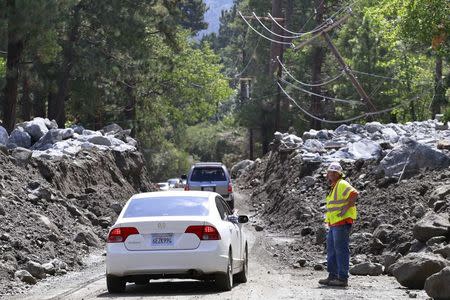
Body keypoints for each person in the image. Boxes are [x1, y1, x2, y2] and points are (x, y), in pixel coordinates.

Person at [319, 162, 358, 287]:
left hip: (342, 222)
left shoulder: (342, 183)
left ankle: (342, 278)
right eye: (328, 172)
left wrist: (346, 208)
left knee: (340, 250)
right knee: (331, 249)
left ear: (337, 174)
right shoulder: (334, 186)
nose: (328, 175)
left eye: (330, 172)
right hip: (334, 223)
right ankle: (333, 276)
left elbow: (354, 193)